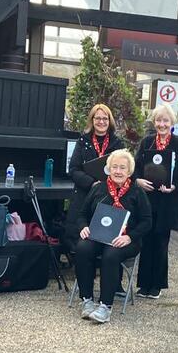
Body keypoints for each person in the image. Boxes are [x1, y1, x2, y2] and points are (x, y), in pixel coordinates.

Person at [75, 149, 152, 324]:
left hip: (126, 240)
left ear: (129, 171)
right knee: (82, 248)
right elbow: (82, 214)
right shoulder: (98, 188)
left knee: (111, 254)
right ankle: (87, 300)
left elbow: (147, 221)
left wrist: (130, 237)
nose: (118, 171)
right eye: (114, 167)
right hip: (98, 236)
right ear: (108, 169)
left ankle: (105, 306)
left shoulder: (137, 192)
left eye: (122, 168)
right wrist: (83, 227)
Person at [134, 103, 178, 299]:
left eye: (165, 121)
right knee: (146, 241)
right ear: (154, 122)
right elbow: (135, 168)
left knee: (161, 242)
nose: (162, 124)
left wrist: (174, 186)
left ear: (172, 123)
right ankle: (144, 284)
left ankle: (157, 285)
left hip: (168, 202)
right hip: (148, 200)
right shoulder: (147, 142)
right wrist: (138, 181)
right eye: (159, 120)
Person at [64, 103, 124, 255]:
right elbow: (74, 169)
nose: (101, 122)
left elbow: (124, 170)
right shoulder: (83, 141)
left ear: (110, 121)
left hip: (109, 196)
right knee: (81, 240)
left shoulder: (117, 143)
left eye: (105, 118)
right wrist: (92, 183)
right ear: (92, 120)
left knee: (105, 237)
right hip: (85, 194)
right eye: (97, 118)